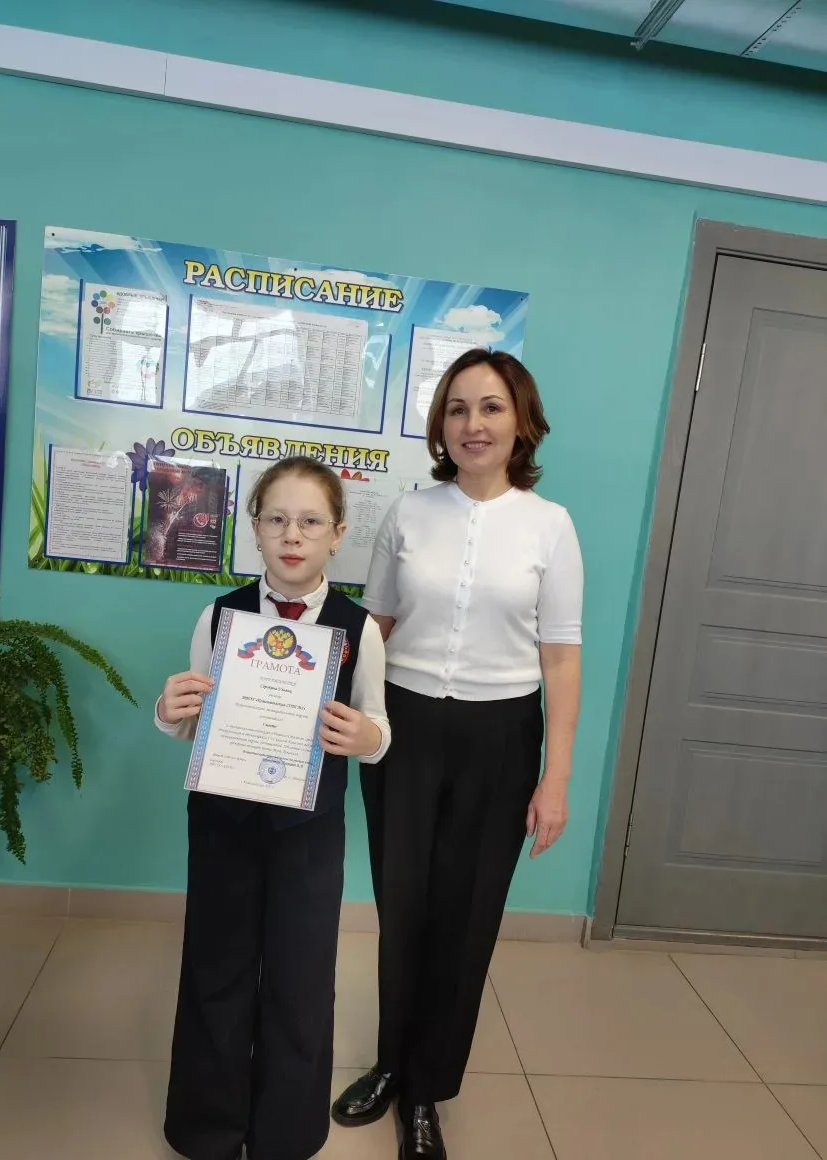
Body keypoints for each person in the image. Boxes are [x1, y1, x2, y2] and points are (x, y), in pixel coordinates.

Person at [331, 349, 583, 1160]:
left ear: (521, 421)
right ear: (441, 424)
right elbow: (377, 628)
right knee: (403, 907)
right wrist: (310, 694)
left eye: (491, 407)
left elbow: (561, 660)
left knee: (465, 921)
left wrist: (555, 777)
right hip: (403, 728)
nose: (474, 424)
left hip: (500, 739)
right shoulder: (409, 514)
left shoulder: (550, 526)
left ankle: (426, 1091)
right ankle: (390, 1064)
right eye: (458, 408)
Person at [155, 455, 391, 1160]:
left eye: (310, 521)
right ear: (254, 529)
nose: (293, 535)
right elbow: (191, 721)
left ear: (337, 535)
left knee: (301, 976)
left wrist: (367, 738)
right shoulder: (220, 615)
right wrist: (168, 711)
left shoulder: (359, 628)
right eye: (277, 519)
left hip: (308, 832)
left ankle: (286, 1132)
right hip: (223, 824)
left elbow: (379, 727)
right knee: (216, 968)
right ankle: (207, 1127)